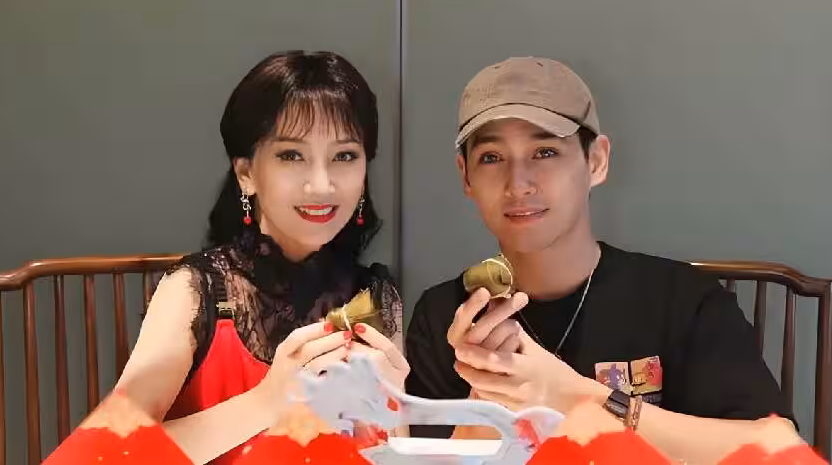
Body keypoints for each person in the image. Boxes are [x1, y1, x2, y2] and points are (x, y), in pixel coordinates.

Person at [405, 56, 794, 463]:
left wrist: (575, 396)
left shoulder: (682, 300)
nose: (517, 184)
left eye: (544, 151)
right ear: (465, 175)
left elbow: (780, 451)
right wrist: (487, 398)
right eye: (491, 157)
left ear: (596, 161)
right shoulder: (445, 316)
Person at [114, 51, 408, 464]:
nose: (321, 185)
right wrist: (267, 401)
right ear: (246, 173)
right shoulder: (194, 290)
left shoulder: (376, 296)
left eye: (344, 156)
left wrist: (390, 412)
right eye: (291, 155)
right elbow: (112, 451)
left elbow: (390, 451)